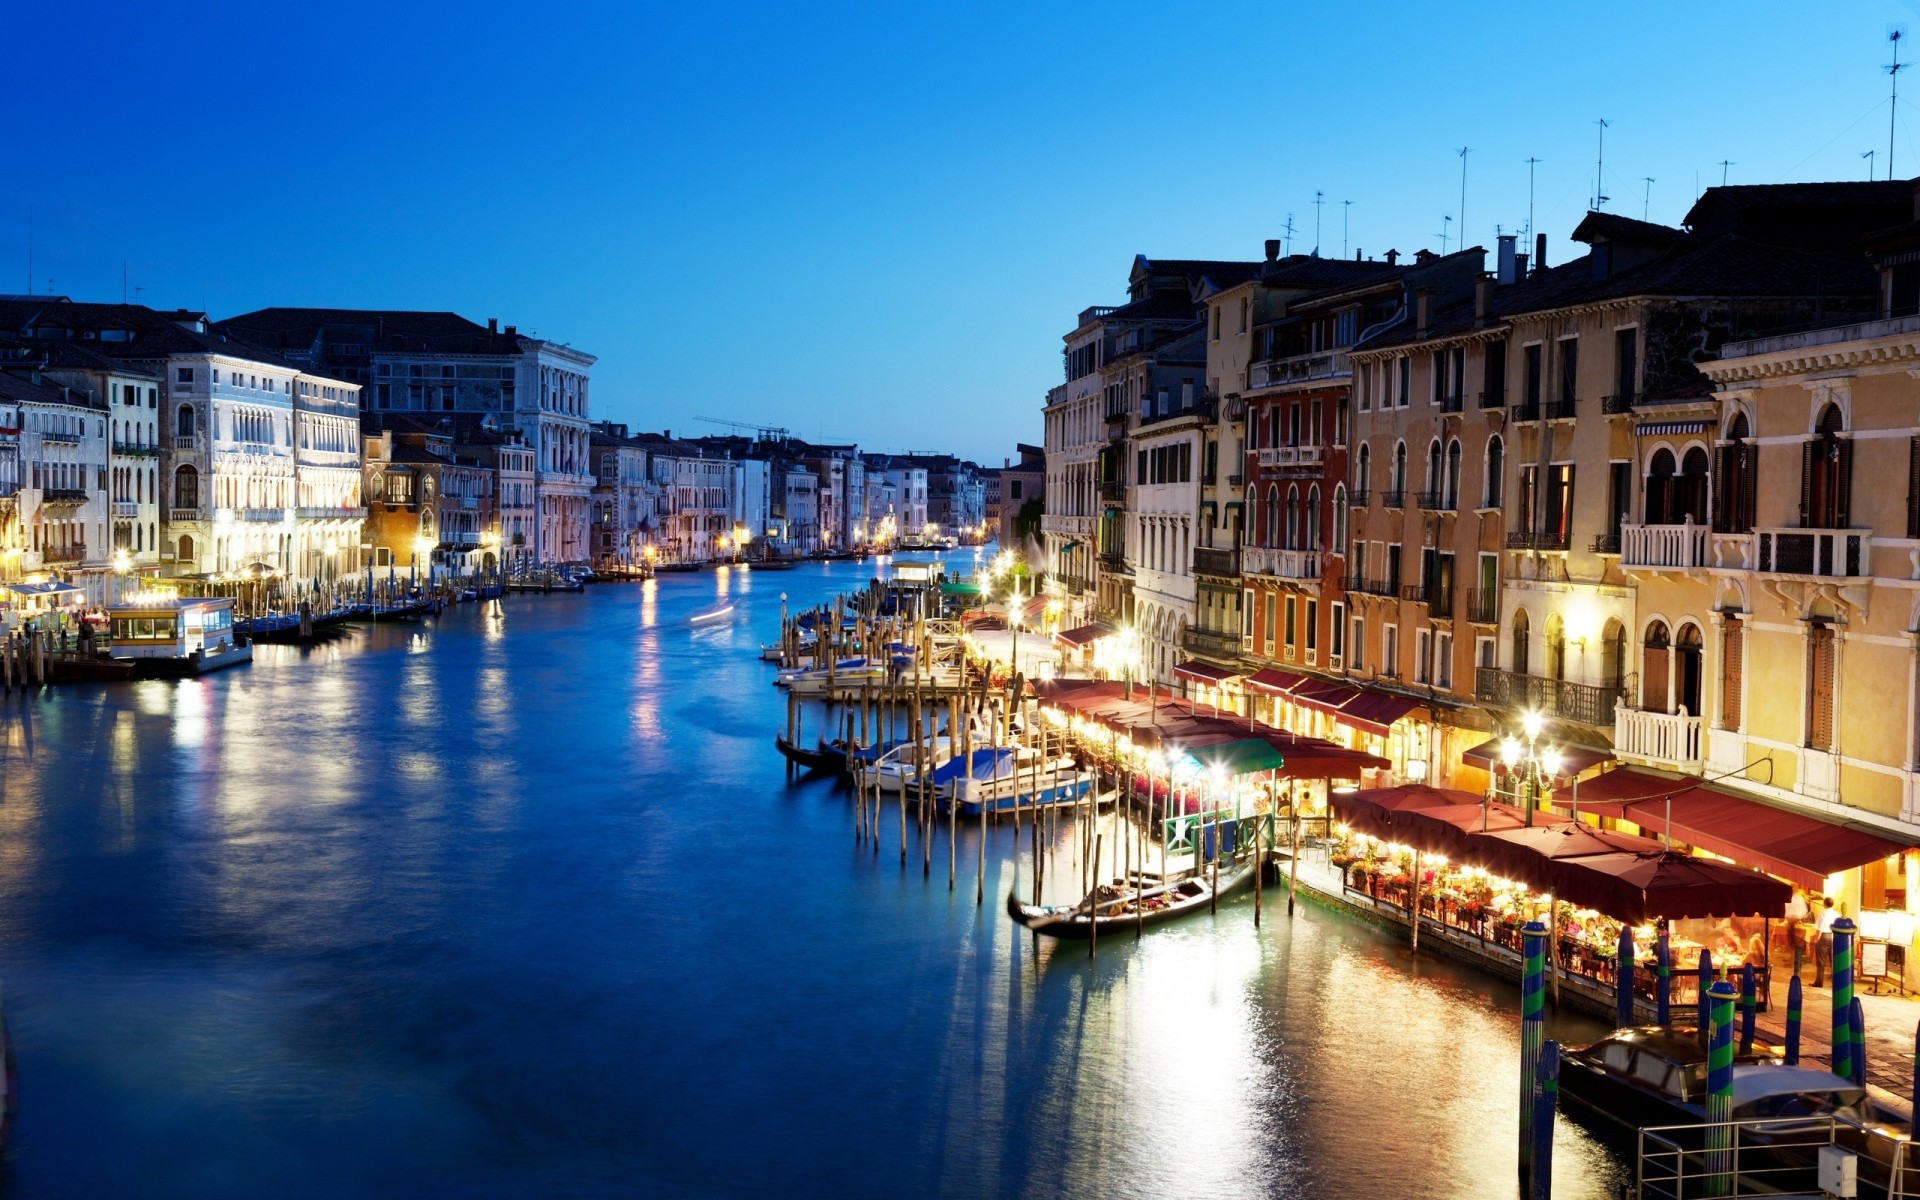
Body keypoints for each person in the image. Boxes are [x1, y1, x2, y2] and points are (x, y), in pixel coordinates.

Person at [1785, 890, 1811, 980]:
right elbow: (1805, 911)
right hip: (1796, 922)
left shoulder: (1793, 898)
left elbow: (1786, 910)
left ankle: (1795, 966)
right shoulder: (1799, 898)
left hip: (1792, 922)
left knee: (1793, 944)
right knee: (1796, 945)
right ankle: (1796, 967)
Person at [1814, 896, 1838, 987]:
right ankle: (1835, 982)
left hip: (1824, 936)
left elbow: (1820, 928)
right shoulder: (1836, 914)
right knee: (1833, 960)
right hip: (1833, 936)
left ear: (1824, 904)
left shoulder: (1822, 914)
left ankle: (1819, 982)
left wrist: (1816, 939)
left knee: (1821, 960)